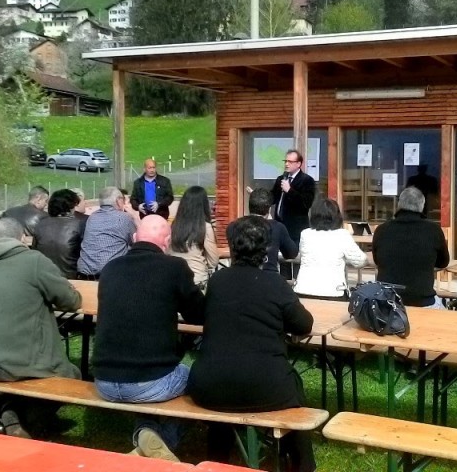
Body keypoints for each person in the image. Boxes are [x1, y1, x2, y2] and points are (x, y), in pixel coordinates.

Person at [188, 215, 315, 472]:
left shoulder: (218, 282)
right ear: (266, 250)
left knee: (228, 381)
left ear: (233, 249)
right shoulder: (275, 283)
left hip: (210, 386)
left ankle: (218, 458)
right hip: (267, 386)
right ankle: (303, 465)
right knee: (295, 386)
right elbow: (304, 324)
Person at [0, 217, 82, 438]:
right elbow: (70, 301)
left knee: (26, 369)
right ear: (22, 237)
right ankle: (26, 421)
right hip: (4, 362)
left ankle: (11, 413)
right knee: (70, 375)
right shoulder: (33, 261)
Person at [93, 215, 205, 462]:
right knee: (201, 381)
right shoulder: (174, 267)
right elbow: (199, 314)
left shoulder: (110, 269)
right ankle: (156, 437)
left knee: (157, 378)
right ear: (166, 242)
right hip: (151, 380)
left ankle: (146, 438)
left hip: (104, 380)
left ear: (134, 239)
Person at [372, 187, 450, 308]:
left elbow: (377, 261)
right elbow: (443, 262)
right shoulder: (433, 230)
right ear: (422, 206)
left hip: (387, 302)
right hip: (423, 300)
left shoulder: (381, 230)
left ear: (399, 205)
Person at [293, 198, 365, 300]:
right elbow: (359, 261)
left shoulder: (305, 234)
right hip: (334, 292)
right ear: (337, 216)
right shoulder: (342, 234)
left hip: (303, 290)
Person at [226, 188, 297, 276]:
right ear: (269, 209)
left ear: (249, 206)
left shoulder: (233, 226)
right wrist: (271, 220)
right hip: (268, 276)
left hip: (238, 277)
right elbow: (292, 253)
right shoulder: (277, 227)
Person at [78, 186, 136, 279]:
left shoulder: (92, 217)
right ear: (118, 201)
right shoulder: (124, 217)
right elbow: (137, 242)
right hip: (109, 276)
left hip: (84, 272)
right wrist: (135, 217)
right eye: (123, 199)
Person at [168, 186, 219, 287]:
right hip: (197, 280)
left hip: (174, 280)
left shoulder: (173, 226)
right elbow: (213, 261)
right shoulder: (205, 227)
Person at [34, 189, 86, 278]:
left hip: (43, 276)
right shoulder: (79, 224)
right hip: (71, 276)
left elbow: (35, 249)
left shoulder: (40, 224)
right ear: (71, 207)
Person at [271, 149, 316, 246]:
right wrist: (259, 197)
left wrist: (289, 191)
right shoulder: (281, 179)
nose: (286, 164)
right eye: (285, 161)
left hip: (296, 230)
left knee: (294, 258)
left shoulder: (307, 180)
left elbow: (306, 204)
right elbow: (273, 198)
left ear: (298, 164)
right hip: (279, 227)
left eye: (290, 162)